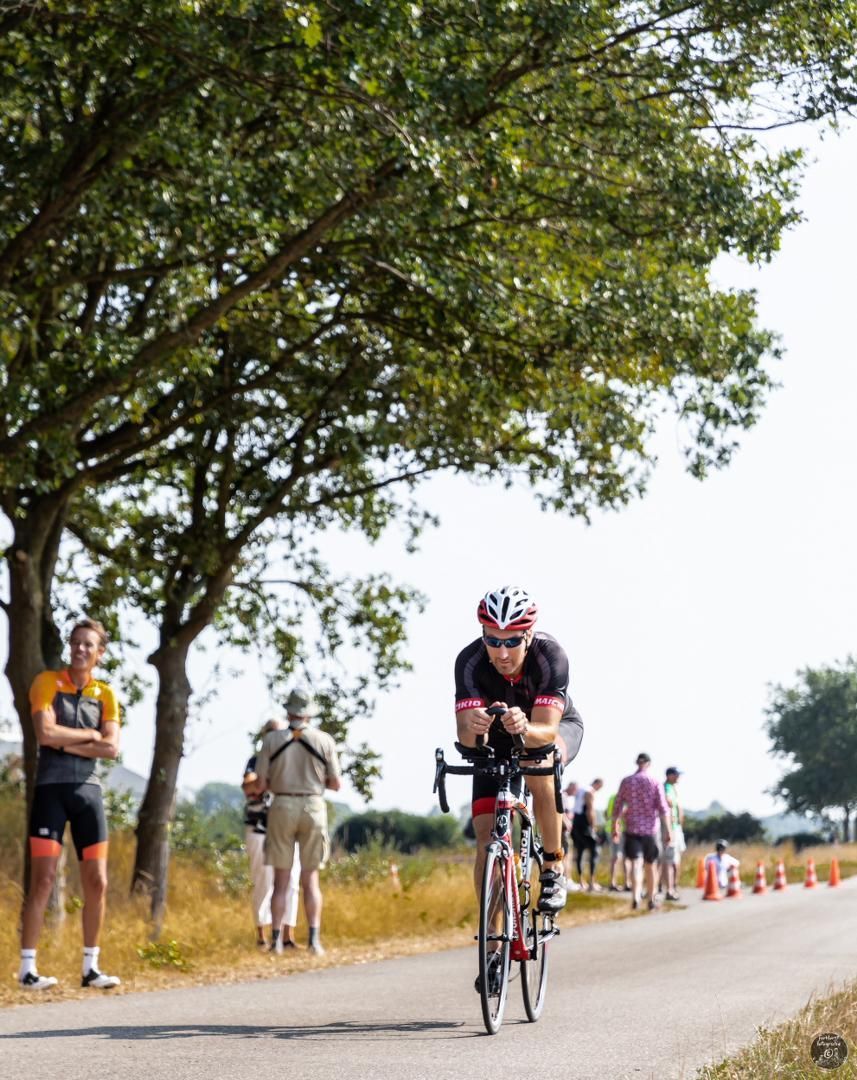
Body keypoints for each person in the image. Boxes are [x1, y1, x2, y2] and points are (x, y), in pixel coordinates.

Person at [454, 585, 585, 932]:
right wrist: (477, 727)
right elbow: (466, 738)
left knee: (537, 760)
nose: (502, 652)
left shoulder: (549, 656)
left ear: (527, 635)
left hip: (550, 729)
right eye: (493, 640)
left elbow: (544, 729)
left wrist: (525, 727)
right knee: (486, 840)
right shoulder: (470, 661)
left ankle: (554, 867)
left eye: (512, 641)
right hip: (497, 739)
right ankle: (493, 941)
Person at [19, 618, 122, 991]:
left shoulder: (105, 694)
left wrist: (68, 741)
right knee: (43, 880)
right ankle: (28, 970)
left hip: (88, 793)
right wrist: (91, 735)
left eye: (87, 644)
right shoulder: (47, 682)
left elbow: (112, 747)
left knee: (98, 882)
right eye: (75, 642)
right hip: (51, 791)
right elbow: (44, 732)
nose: (79, 649)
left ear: (99, 652)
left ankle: (90, 968)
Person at [252, 687, 342, 957]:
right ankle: (314, 940)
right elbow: (336, 784)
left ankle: (277, 941)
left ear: (288, 711)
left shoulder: (271, 740)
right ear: (309, 713)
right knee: (310, 879)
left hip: (281, 804)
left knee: (280, 880)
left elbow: (261, 783)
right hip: (313, 805)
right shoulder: (324, 740)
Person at [242, 719, 300, 949]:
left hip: (286, 827)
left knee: (292, 880)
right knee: (263, 880)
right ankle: (262, 935)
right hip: (260, 828)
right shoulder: (256, 761)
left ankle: (288, 935)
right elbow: (248, 787)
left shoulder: (292, 760)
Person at [611, 753, 672, 912]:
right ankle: (651, 898)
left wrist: (614, 827)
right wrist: (668, 831)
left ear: (637, 763)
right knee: (650, 865)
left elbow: (617, 806)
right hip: (650, 830)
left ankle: (636, 896)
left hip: (631, 829)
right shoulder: (654, 781)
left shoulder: (627, 781)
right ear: (649, 764)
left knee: (635, 864)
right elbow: (663, 808)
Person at [571, 778, 604, 891]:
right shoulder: (590, 792)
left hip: (575, 822)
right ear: (598, 784)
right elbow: (590, 810)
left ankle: (581, 881)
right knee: (594, 850)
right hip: (584, 823)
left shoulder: (580, 790)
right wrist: (593, 827)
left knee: (580, 851)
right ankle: (592, 882)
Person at [659, 766, 686, 901]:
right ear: (669, 775)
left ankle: (672, 886)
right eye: (676, 774)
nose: (678, 777)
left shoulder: (673, 788)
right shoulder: (666, 788)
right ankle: (668, 888)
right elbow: (668, 803)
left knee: (675, 859)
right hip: (670, 827)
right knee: (669, 859)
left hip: (676, 827)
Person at [605, 788, 631, 892]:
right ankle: (623, 883)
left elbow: (606, 813)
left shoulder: (612, 797)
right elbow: (623, 813)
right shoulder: (623, 798)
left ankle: (615, 882)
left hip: (611, 827)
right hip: (619, 829)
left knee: (617, 857)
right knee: (620, 857)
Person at [561, 781, 581, 891]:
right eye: (575, 789)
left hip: (565, 830)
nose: (576, 792)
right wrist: (567, 821)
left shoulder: (567, 797)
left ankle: (567, 879)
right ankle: (566, 879)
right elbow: (560, 811)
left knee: (567, 854)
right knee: (566, 855)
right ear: (571, 787)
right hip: (563, 830)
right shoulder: (563, 796)